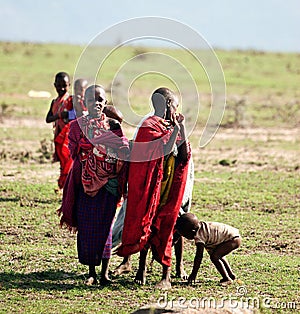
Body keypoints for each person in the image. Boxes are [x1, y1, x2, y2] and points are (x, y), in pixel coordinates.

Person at [117, 87, 191, 289]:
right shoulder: (149, 127)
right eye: (175, 106)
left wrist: (180, 129)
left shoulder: (172, 125)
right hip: (152, 187)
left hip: (170, 188)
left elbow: (183, 156)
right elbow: (162, 152)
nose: (177, 110)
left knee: (168, 226)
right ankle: (141, 268)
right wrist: (175, 129)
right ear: (168, 105)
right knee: (147, 224)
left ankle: (166, 276)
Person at [59, 85, 130, 285]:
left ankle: (104, 274)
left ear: (105, 103)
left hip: (109, 184)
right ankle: (91, 272)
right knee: (87, 227)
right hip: (84, 183)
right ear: (85, 103)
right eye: (92, 100)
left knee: (106, 227)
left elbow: (123, 150)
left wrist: (102, 144)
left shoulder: (114, 125)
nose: (96, 103)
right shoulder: (76, 127)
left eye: (100, 100)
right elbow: (74, 153)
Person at [175, 213, 241, 285]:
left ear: (192, 232)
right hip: (234, 237)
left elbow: (199, 257)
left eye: (185, 235)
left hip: (232, 239)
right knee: (217, 255)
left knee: (215, 257)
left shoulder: (199, 236)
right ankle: (230, 275)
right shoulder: (202, 227)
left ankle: (227, 278)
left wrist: (193, 274)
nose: (184, 237)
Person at [46, 72, 73, 189]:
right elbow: (48, 118)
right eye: (59, 85)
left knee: (69, 163)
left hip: (69, 138)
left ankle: (68, 186)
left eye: (64, 85)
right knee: (63, 163)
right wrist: (60, 115)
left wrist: (67, 115)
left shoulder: (71, 101)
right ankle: (64, 185)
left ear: (69, 85)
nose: (61, 88)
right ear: (54, 85)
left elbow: (77, 115)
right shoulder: (54, 102)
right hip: (58, 136)